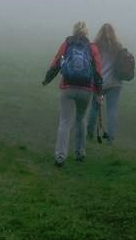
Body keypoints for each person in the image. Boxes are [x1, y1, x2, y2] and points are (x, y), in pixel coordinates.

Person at [42, 21, 103, 167]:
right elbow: (98, 70)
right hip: (85, 90)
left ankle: (60, 156)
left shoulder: (67, 44)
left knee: (64, 121)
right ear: (86, 32)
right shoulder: (92, 47)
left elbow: (56, 63)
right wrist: (99, 92)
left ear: (74, 31)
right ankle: (80, 153)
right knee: (80, 119)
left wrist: (47, 80)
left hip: (67, 87)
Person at [86, 23, 126, 142]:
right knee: (112, 110)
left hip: (100, 82)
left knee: (95, 108)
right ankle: (111, 138)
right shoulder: (118, 46)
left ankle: (90, 134)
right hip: (115, 83)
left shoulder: (95, 46)